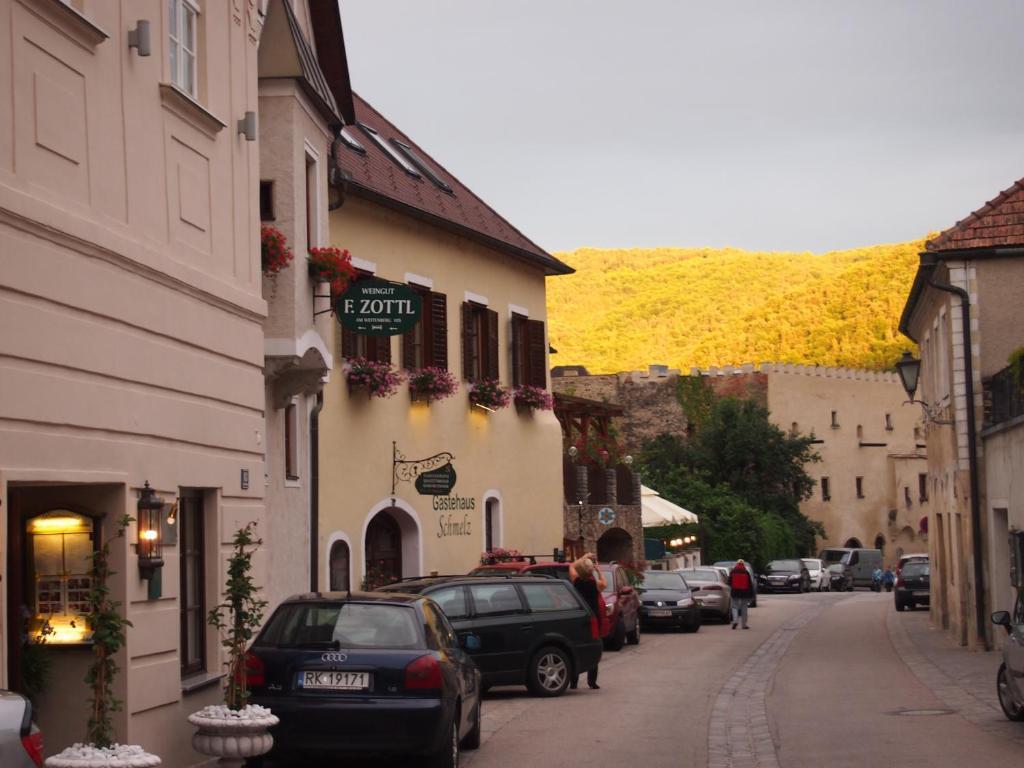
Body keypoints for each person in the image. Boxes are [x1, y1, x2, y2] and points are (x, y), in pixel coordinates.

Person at [569, 554, 607, 689]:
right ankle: (592, 682)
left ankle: (573, 682)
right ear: (591, 571)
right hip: (593, 619)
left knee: (575, 648)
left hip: (579, 617)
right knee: (594, 646)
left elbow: (571, 566)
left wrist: (583, 556)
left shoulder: (576, 581)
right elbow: (605, 584)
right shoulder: (595, 584)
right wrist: (598, 570)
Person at [728, 559, 754, 630]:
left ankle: (735, 621)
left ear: (737, 564)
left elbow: (729, 582)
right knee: (744, 608)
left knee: (734, 607)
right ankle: (744, 625)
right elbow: (749, 584)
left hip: (735, 592)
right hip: (744, 593)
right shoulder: (746, 572)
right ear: (743, 565)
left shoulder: (733, 572)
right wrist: (751, 595)